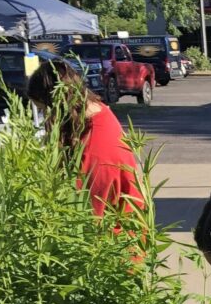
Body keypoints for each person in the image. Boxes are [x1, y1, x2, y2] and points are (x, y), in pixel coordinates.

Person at [27, 59, 143, 217]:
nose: (45, 118)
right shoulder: (98, 112)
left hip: (114, 235)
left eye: (44, 110)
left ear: (58, 105)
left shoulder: (94, 148)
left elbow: (85, 214)